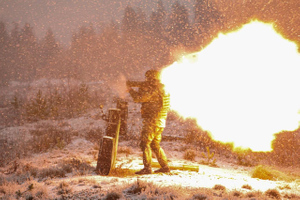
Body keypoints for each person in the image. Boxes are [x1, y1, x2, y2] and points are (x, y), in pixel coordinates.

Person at [127, 69, 171, 174]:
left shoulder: (153, 89)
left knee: (145, 143)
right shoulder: (163, 88)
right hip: (160, 121)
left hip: (152, 120)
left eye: (148, 78)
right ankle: (165, 167)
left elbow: (138, 98)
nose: (146, 80)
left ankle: (147, 168)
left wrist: (130, 90)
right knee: (155, 145)